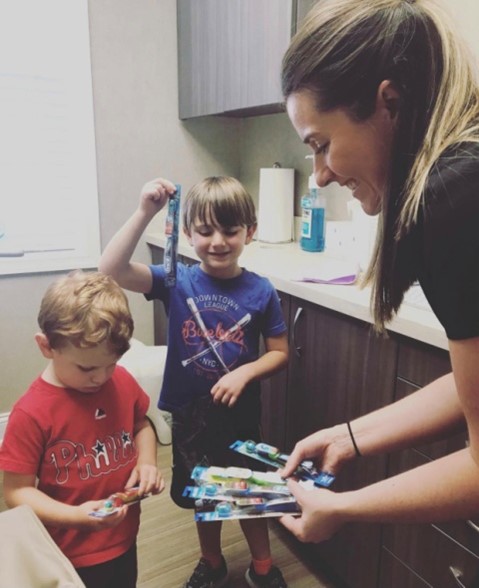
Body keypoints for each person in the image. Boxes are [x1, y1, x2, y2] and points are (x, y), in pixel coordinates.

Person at [278, 0, 479, 544]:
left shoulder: (452, 199)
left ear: (388, 102)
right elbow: (472, 391)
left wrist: (343, 509)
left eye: (321, 145)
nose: (317, 176)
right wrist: (351, 437)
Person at [99, 176, 290, 588]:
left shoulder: (261, 291)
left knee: (246, 495)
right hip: (190, 416)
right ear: (187, 233)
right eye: (204, 231)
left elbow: (279, 352)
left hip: (238, 418)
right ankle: (212, 561)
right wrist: (144, 211)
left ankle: (262, 567)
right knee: (204, 496)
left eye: (230, 230)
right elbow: (110, 270)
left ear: (250, 232)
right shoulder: (175, 280)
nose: (217, 241)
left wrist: (246, 370)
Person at [0, 270, 164, 588]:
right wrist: (76, 517)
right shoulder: (31, 413)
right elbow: (15, 491)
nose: (101, 377)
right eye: (87, 367)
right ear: (47, 346)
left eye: (111, 364)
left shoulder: (122, 382)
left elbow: (141, 424)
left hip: (123, 538)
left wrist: (146, 461)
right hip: (66, 551)